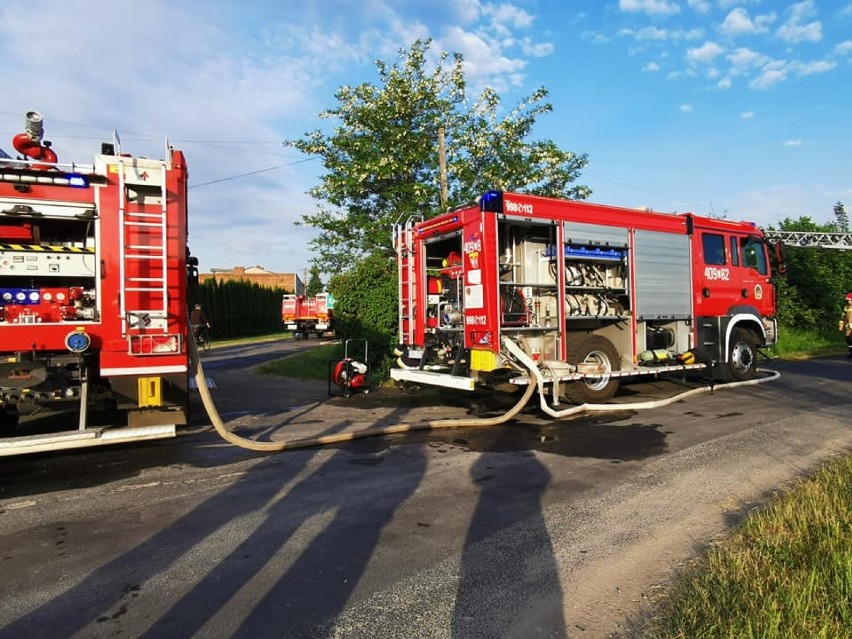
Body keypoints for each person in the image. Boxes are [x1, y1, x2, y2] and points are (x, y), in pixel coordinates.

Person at [839, 293, 852, 358]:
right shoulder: (846, 308)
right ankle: (851, 351)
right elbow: (843, 317)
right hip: (848, 326)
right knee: (848, 338)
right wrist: (841, 324)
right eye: (847, 300)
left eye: (849, 300)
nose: (848, 301)